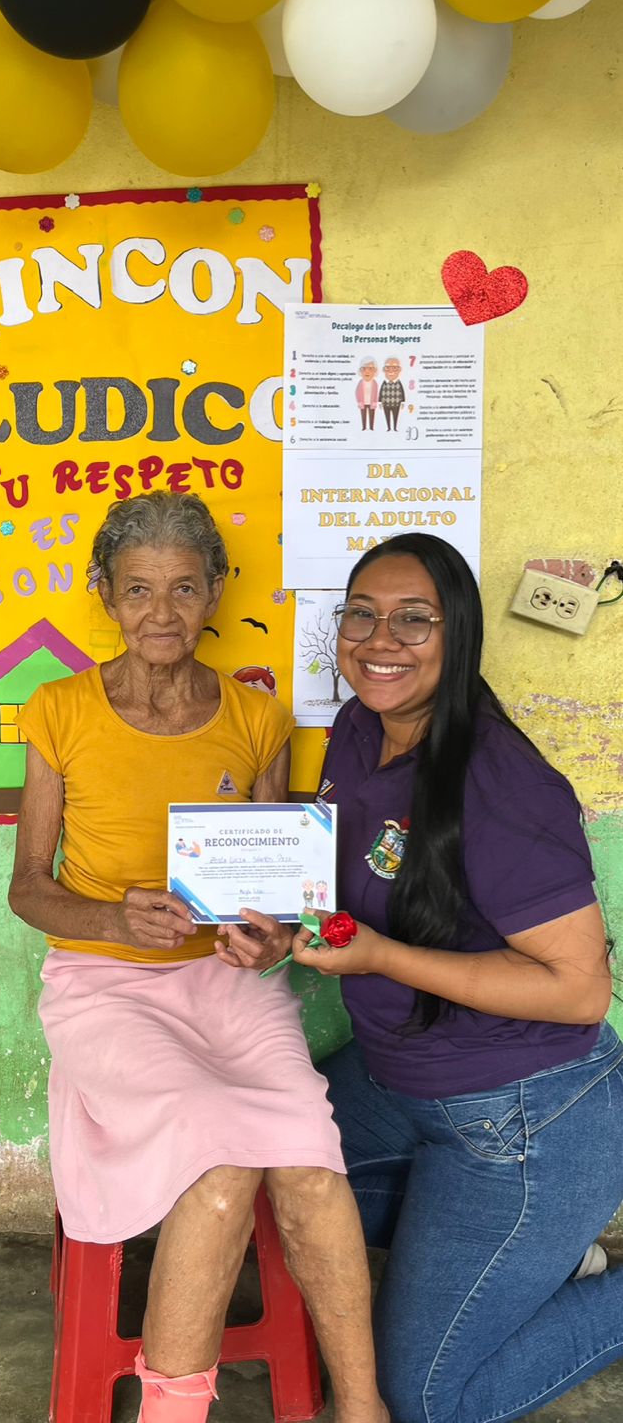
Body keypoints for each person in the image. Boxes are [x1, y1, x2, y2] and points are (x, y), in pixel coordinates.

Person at [221, 532, 623, 1423]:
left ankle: (547, 1254)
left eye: (414, 620)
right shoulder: (360, 729)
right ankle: (534, 1259)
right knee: (249, 1200)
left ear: (459, 634)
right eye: (360, 615)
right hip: (399, 1077)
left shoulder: (501, 782)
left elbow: (579, 991)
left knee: (433, 1398)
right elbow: (346, 887)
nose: (380, 641)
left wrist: (379, 956)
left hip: (524, 1117)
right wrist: (281, 930)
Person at [8, 491, 388, 1423]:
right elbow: (27, 888)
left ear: (216, 592)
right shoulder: (59, 710)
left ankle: (362, 1406)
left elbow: (277, 886)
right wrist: (110, 918)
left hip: (226, 981)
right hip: (103, 983)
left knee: (310, 1160)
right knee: (220, 1168)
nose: (162, 613)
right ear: (105, 594)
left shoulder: (256, 717)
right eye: (138, 589)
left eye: (184, 588)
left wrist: (269, 938)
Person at [379, 357, 405, 431]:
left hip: (396, 403)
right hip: (386, 404)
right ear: (384, 370)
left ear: (399, 370)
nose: (391, 370)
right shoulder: (384, 383)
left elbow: (402, 392)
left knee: (396, 416)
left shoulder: (399, 383)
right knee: (387, 416)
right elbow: (381, 392)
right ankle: (388, 428)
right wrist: (380, 402)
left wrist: (403, 402)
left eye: (394, 368)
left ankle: (395, 428)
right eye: (387, 368)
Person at [355, 360, 379, 430]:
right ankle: (364, 427)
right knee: (363, 415)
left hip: (372, 403)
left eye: (370, 369)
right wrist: (359, 401)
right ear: (360, 371)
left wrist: (375, 401)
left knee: (372, 415)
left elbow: (376, 393)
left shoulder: (374, 383)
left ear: (375, 371)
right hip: (363, 402)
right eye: (364, 369)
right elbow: (357, 392)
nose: (367, 371)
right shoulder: (360, 382)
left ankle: (371, 427)